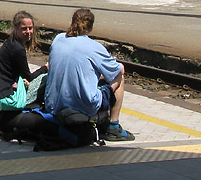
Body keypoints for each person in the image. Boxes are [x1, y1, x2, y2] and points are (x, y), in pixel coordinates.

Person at [44, 8, 135, 141]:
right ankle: (113, 127)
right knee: (119, 75)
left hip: (52, 104)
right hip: (84, 105)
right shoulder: (94, 47)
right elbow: (117, 70)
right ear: (91, 27)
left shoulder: (58, 39)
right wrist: (119, 66)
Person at [0, 10, 48, 111]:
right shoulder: (18, 49)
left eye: (30, 28)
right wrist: (45, 68)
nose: (28, 32)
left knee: (24, 81)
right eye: (24, 29)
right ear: (16, 28)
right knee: (45, 78)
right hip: (5, 101)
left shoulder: (10, 43)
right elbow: (29, 77)